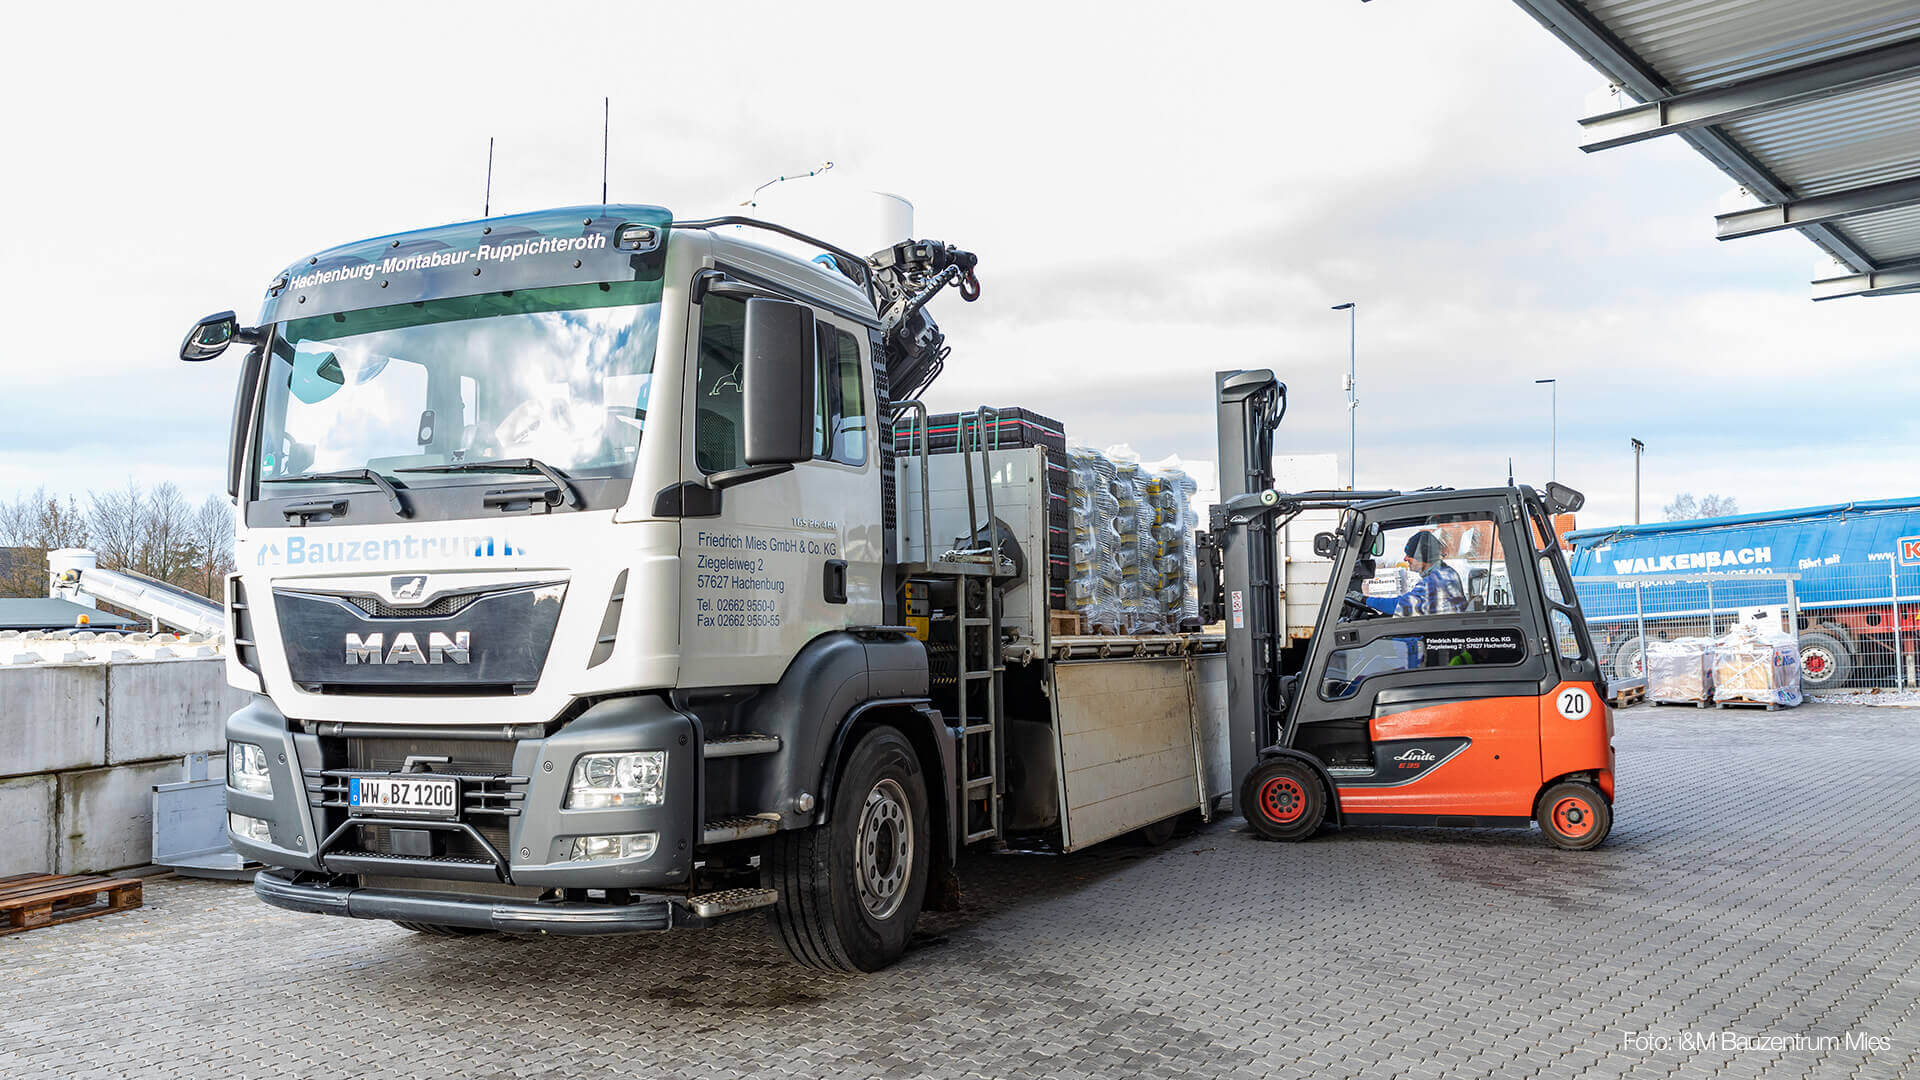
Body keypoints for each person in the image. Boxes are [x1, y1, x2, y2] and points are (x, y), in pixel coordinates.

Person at [1366, 531, 1467, 616]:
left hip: (1438, 635)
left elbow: (1400, 606)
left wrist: (1365, 600)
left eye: (1410, 554)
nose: (1405, 559)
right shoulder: (1446, 572)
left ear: (1422, 556)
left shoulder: (1436, 580)